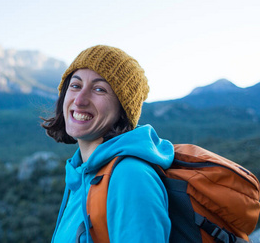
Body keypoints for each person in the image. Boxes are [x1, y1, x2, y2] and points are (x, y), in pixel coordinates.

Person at [42, 45, 174, 242]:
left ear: (122, 110)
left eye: (99, 89)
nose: (79, 100)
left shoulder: (130, 176)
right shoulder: (82, 175)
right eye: (75, 85)